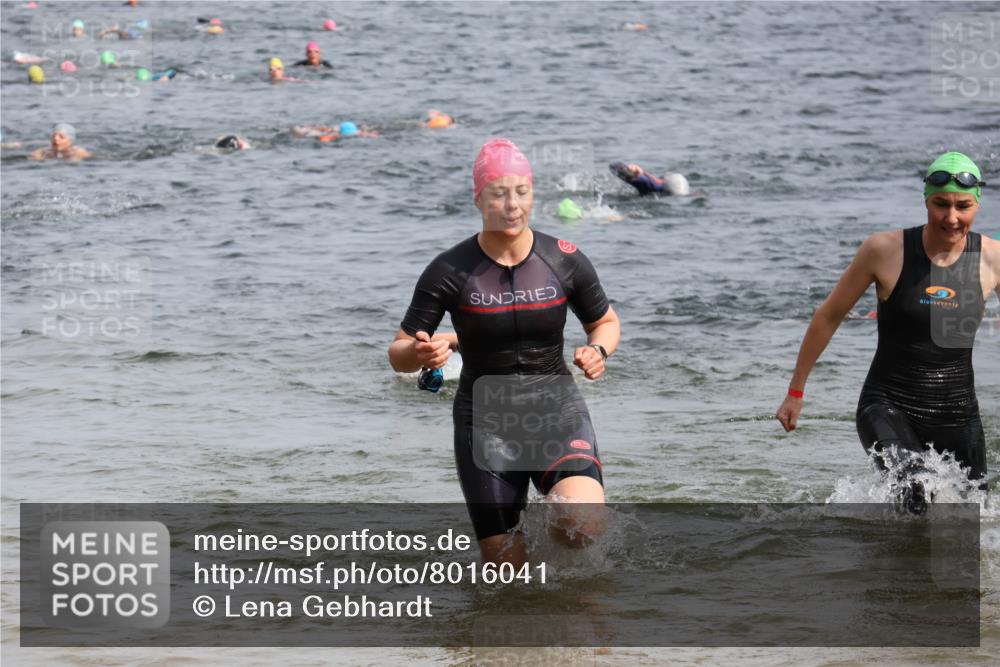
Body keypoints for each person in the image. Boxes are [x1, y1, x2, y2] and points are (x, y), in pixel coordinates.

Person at [389, 138, 621, 564]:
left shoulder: (564, 259)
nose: (512, 205)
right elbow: (399, 349)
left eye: (521, 192)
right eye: (498, 194)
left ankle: (574, 602)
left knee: (581, 523)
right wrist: (420, 356)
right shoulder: (450, 269)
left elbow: (605, 322)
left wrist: (598, 351)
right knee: (504, 568)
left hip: (556, 410)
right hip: (486, 423)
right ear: (478, 198)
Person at [777, 151, 998, 511]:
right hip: (888, 405)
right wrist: (796, 391)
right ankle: (895, 566)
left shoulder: (992, 257)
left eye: (963, 206)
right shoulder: (884, 250)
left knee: (976, 514)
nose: (952, 217)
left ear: (977, 204)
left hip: (959, 414)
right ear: (926, 199)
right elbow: (829, 316)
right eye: (941, 204)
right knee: (913, 489)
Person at [609, 161, 690, 196]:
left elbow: (614, 166)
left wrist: (634, 170)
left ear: (664, 182)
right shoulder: (682, 194)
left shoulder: (649, 184)